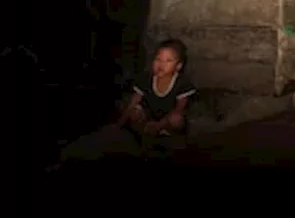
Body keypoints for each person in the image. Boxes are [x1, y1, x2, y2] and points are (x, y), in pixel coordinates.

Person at [57, 39, 196, 165]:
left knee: (177, 118)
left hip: (166, 122)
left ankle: (165, 138)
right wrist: (119, 124)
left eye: (168, 61)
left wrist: (159, 125)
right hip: (148, 118)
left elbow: (179, 109)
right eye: (158, 59)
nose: (161, 64)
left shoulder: (182, 83)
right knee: (134, 110)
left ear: (178, 66)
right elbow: (133, 102)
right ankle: (140, 137)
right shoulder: (145, 79)